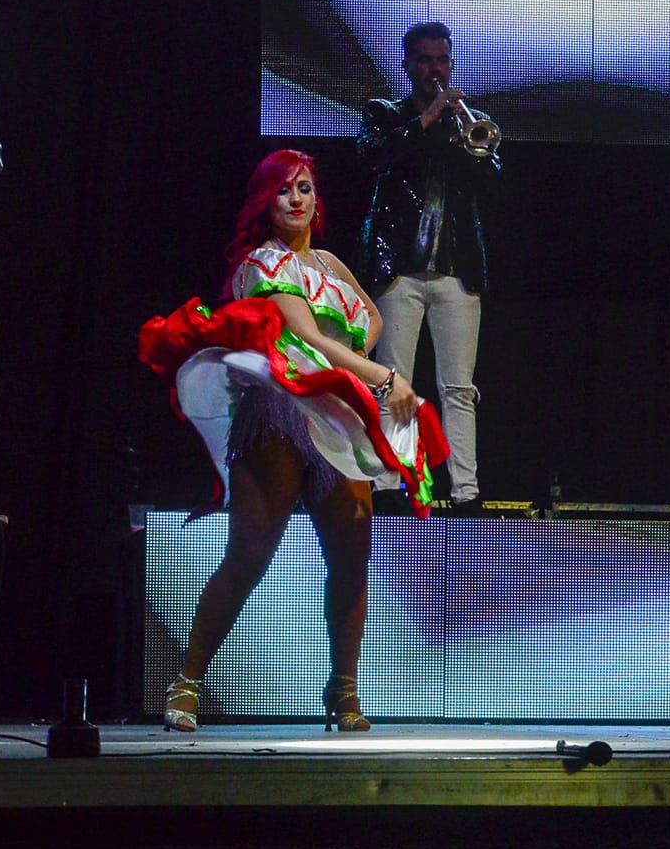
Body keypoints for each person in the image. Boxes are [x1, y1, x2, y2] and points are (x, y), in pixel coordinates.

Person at [139, 150, 445, 732]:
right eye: (283, 190)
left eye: (304, 188)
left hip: (338, 416)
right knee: (251, 553)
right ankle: (187, 681)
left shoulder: (327, 263)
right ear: (266, 201)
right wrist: (385, 378)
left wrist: (354, 368)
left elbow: (371, 319)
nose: (296, 199)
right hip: (280, 410)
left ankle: (343, 689)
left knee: (351, 559)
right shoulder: (263, 263)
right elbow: (306, 337)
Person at [356, 20, 500, 513]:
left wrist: (460, 130)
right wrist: (429, 118)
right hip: (398, 268)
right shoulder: (385, 114)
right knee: (393, 382)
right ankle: (389, 486)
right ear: (407, 65)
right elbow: (373, 156)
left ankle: (466, 493)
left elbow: (495, 185)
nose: (434, 69)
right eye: (424, 60)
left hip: (457, 272)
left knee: (459, 387)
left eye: (442, 60)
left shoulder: (469, 122)